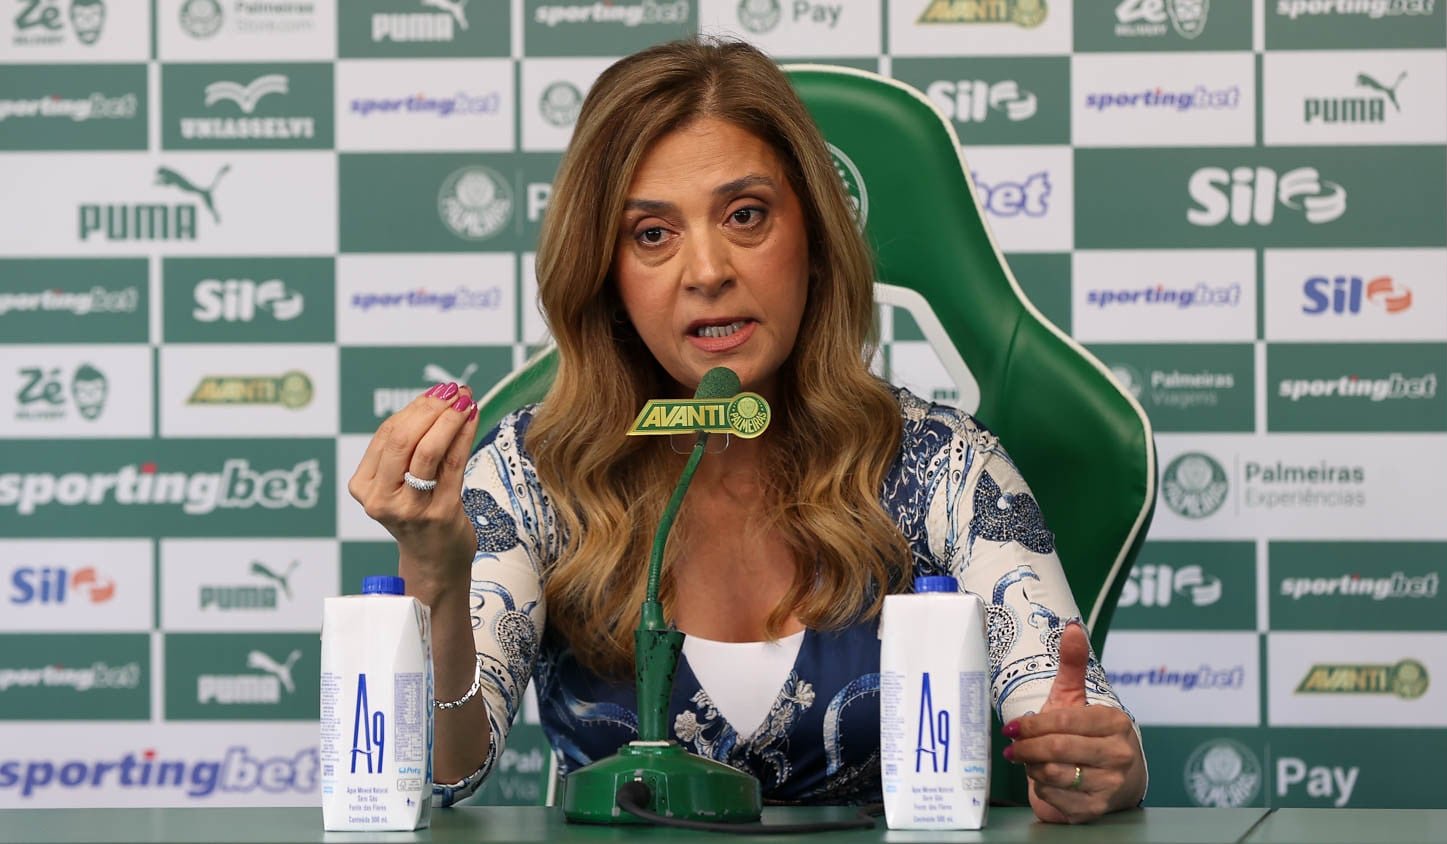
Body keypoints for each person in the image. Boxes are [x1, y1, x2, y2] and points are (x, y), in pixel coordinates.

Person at [348, 38, 1147, 824]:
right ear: (606, 272)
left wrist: (1092, 762)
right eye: (652, 234)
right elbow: (445, 774)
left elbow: (1077, 727)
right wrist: (434, 572)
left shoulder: (945, 467)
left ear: (815, 239)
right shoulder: (532, 472)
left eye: (746, 215)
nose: (706, 271)